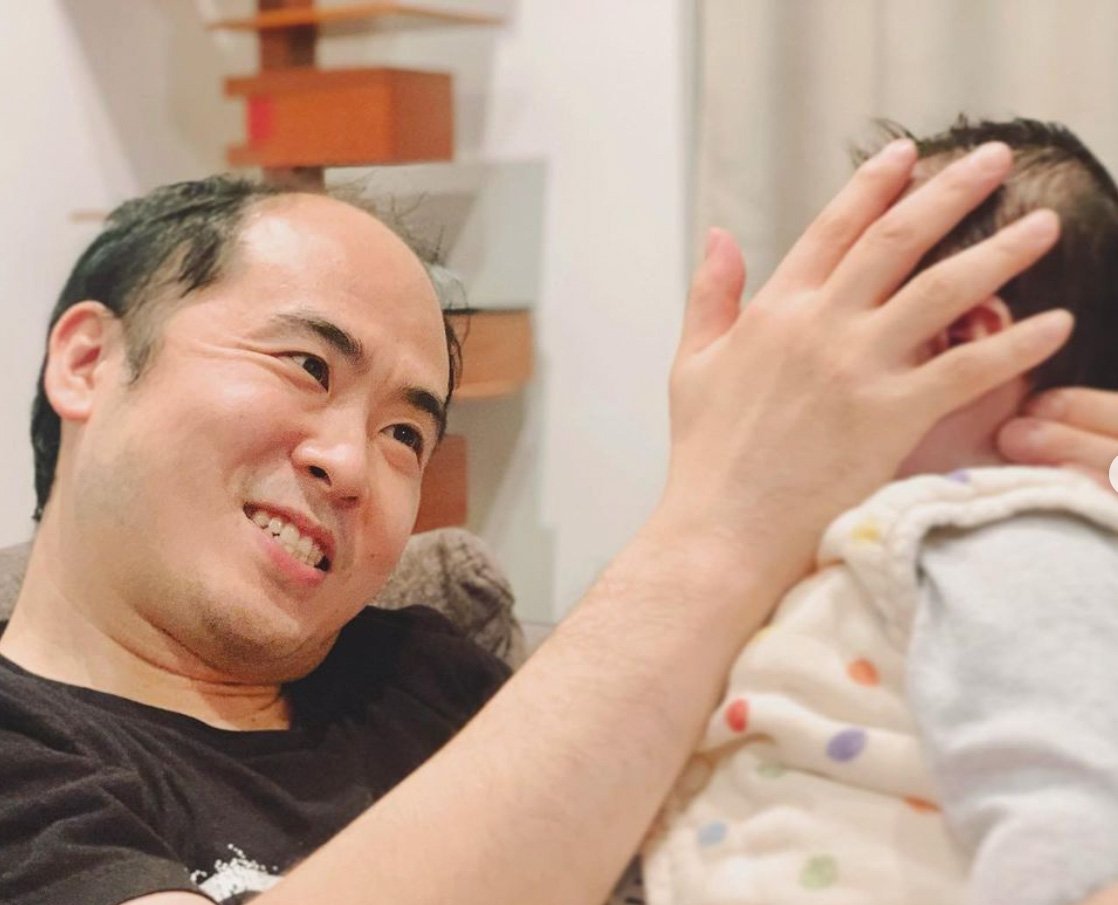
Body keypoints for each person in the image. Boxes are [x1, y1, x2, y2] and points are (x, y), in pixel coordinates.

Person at [1, 138, 1117, 905]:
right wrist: (723, 513)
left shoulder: (422, 671)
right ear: (89, 360)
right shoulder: (30, 756)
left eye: (405, 432)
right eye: (305, 365)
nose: (349, 463)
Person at [643, 118, 1118, 905]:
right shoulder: (879, 540)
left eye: (839, 306)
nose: (781, 344)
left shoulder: (1017, 543)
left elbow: (1071, 826)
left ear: (959, 341)